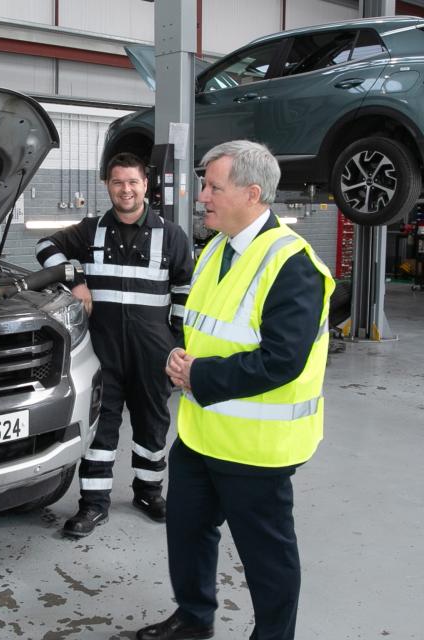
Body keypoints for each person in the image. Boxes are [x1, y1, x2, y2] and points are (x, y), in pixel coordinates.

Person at [137, 140, 334, 640]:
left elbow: (282, 361)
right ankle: (194, 617)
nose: (201, 195)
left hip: (255, 447)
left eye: (212, 187)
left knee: (266, 556)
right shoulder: (216, 249)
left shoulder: (293, 263)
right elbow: (201, 326)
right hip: (201, 432)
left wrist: (197, 377)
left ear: (252, 193)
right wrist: (176, 354)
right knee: (187, 532)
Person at [35, 152, 194, 537]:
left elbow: (186, 291)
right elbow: (45, 247)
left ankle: (149, 493)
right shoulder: (89, 231)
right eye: (118, 182)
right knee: (99, 429)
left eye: (133, 182)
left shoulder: (171, 236)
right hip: (102, 351)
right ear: (108, 185)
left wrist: (175, 343)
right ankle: (93, 504)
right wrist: (75, 279)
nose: (126, 189)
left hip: (153, 352)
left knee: (152, 426)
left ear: (146, 186)